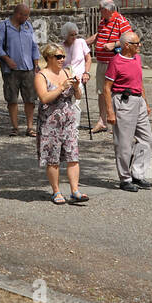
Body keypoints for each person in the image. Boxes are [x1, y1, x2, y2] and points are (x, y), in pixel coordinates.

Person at [34, 42, 87, 205]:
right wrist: (61, 87)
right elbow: (44, 98)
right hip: (50, 123)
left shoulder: (67, 72)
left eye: (63, 56)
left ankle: (75, 190)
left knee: (73, 156)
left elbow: (77, 97)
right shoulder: (41, 76)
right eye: (58, 56)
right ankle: (56, 191)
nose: (62, 59)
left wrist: (77, 87)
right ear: (48, 58)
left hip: (68, 121)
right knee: (53, 158)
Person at [103, 31, 152, 192]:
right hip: (123, 102)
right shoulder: (116, 62)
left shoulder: (137, 59)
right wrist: (110, 112)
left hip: (138, 100)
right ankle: (125, 178)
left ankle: (137, 174)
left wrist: (145, 102)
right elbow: (106, 88)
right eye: (136, 43)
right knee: (124, 143)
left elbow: (139, 82)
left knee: (147, 139)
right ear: (126, 45)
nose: (140, 45)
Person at [0, 3, 41, 137]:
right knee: (12, 99)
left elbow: (34, 47)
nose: (27, 18)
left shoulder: (28, 26)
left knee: (30, 99)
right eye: (25, 15)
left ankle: (30, 128)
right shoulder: (4, 26)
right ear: (18, 14)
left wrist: (36, 65)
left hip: (28, 68)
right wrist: (8, 60)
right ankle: (15, 127)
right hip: (11, 71)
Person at [91, 0, 133, 133]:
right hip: (102, 62)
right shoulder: (103, 22)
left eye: (100, 9)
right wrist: (84, 42)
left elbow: (130, 40)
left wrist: (113, 45)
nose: (99, 12)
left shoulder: (121, 21)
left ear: (107, 9)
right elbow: (99, 36)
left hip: (114, 63)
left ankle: (117, 121)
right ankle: (102, 121)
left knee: (115, 92)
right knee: (101, 92)